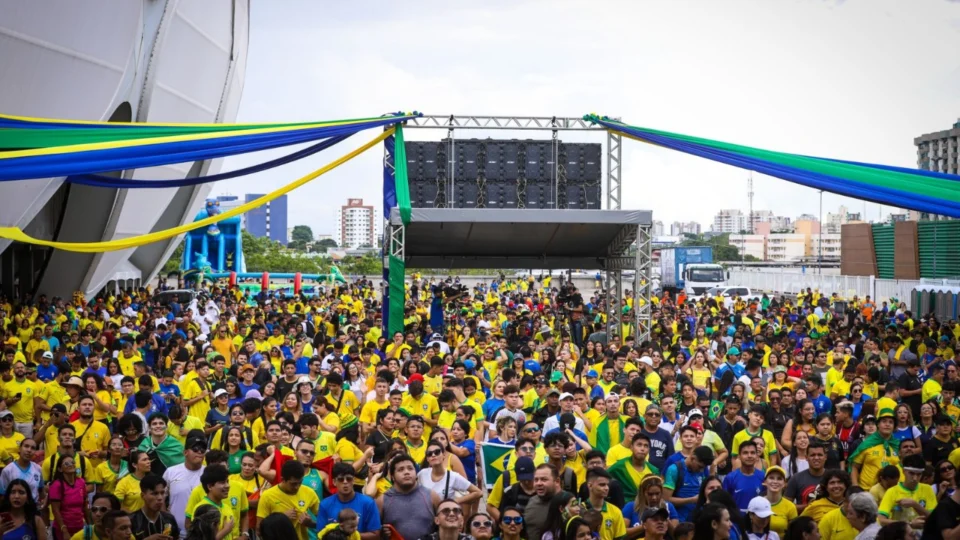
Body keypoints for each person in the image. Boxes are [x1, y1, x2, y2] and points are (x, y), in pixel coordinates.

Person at [377, 455, 440, 540]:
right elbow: (374, 532)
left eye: (410, 468)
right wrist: (382, 532)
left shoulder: (432, 496)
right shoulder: (382, 500)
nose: (406, 472)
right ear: (392, 477)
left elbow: (443, 526)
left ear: (416, 473)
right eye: (400, 469)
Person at [256, 461, 319, 540]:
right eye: (293, 484)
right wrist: (282, 518)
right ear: (283, 479)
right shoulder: (267, 496)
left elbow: (324, 523)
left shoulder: (309, 493)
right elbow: (259, 529)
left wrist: (310, 524)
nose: (297, 487)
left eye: (300, 483)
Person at [317, 463, 381, 540]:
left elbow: (375, 535)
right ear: (334, 482)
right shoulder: (325, 504)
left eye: (349, 479)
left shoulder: (368, 503)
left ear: (353, 480)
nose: (345, 482)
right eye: (341, 479)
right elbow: (320, 533)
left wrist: (351, 535)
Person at [164, 431, 207, 536]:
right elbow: (160, 498)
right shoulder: (171, 472)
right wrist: (166, 518)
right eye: (195, 449)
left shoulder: (209, 473)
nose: (199, 452)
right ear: (185, 452)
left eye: (202, 449)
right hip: (175, 532)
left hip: (202, 533)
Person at [877, 454, 935, 529]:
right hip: (900, 533)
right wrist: (909, 524)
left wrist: (915, 505)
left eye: (918, 474)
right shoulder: (892, 491)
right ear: (904, 471)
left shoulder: (928, 489)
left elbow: (934, 518)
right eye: (911, 473)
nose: (915, 478)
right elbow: (881, 520)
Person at [417, 442, 481, 507]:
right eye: (429, 454)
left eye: (437, 452)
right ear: (427, 459)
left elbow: (478, 492)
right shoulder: (422, 474)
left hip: (444, 512)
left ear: (443, 455)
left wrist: (454, 502)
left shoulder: (453, 476)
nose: (433, 455)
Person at [663, 445, 714, 522]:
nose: (701, 470)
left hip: (697, 519)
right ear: (693, 458)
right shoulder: (674, 470)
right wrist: (691, 500)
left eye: (704, 468)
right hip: (680, 520)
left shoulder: (702, 471)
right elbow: (666, 500)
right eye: (700, 467)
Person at [130, 474, 181, 540]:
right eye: (154, 493)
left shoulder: (169, 519)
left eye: (162, 493)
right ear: (142, 496)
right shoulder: (131, 521)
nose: (160, 498)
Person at [581, 468, 625, 540]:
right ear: (590, 486)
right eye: (602, 485)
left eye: (607, 485)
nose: (606, 488)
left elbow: (620, 538)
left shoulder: (616, 512)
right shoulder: (579, 510)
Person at [0, 438, 41, 503]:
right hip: (13, 507)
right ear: (19, 449)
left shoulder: (38, 469)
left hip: (33, 507)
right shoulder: (7, 470)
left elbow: (41, 491)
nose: (29, 450)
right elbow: (2, 495)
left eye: (33, 448)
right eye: (26, 446)